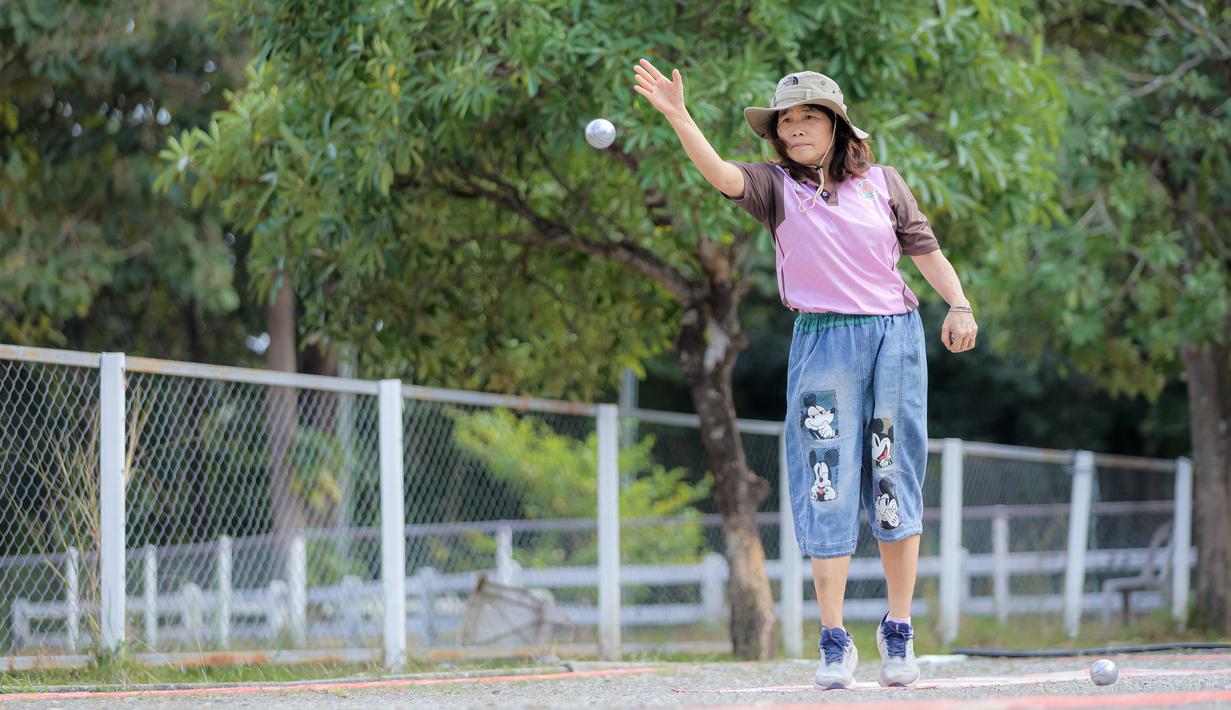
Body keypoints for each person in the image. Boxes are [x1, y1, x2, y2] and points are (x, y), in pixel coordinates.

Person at [632, 59, 978, 689]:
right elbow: (718, 174)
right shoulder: (773, 187)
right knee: (827, 477)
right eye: (785, 121)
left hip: (894, 338)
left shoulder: (885, 183)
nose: (793, 129)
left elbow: (925, 250)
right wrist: (680, 117)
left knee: (895, 474)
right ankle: (834, 640)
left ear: (837, 123)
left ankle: (898, 631)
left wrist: (959, 304)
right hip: (824, 341)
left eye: (806, 117)